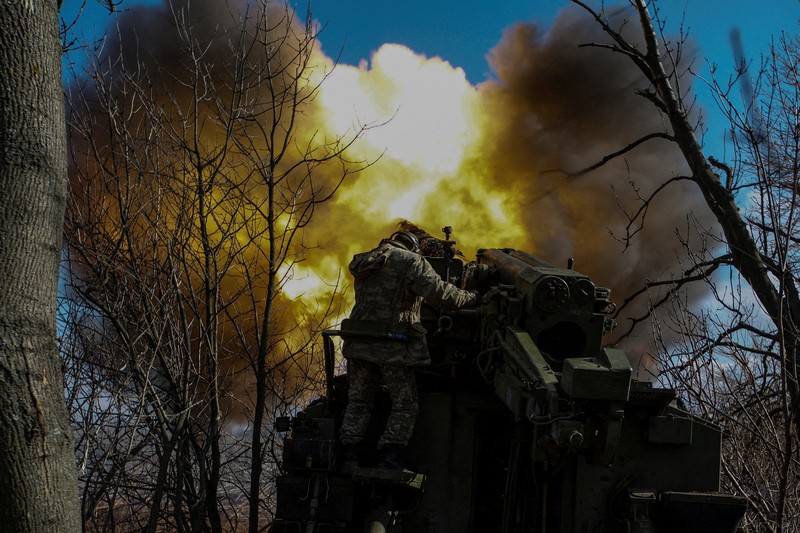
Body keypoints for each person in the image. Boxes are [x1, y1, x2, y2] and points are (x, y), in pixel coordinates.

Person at [339, 230, 479, 470]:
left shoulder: (366, 260)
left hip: (359, 341)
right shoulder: (411, 261)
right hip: (393, 345)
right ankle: (390, 457)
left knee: (359, 401)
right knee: (405, 404)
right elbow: (441, 295)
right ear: (413, 247)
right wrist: (472, 297)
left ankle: (348, 455)